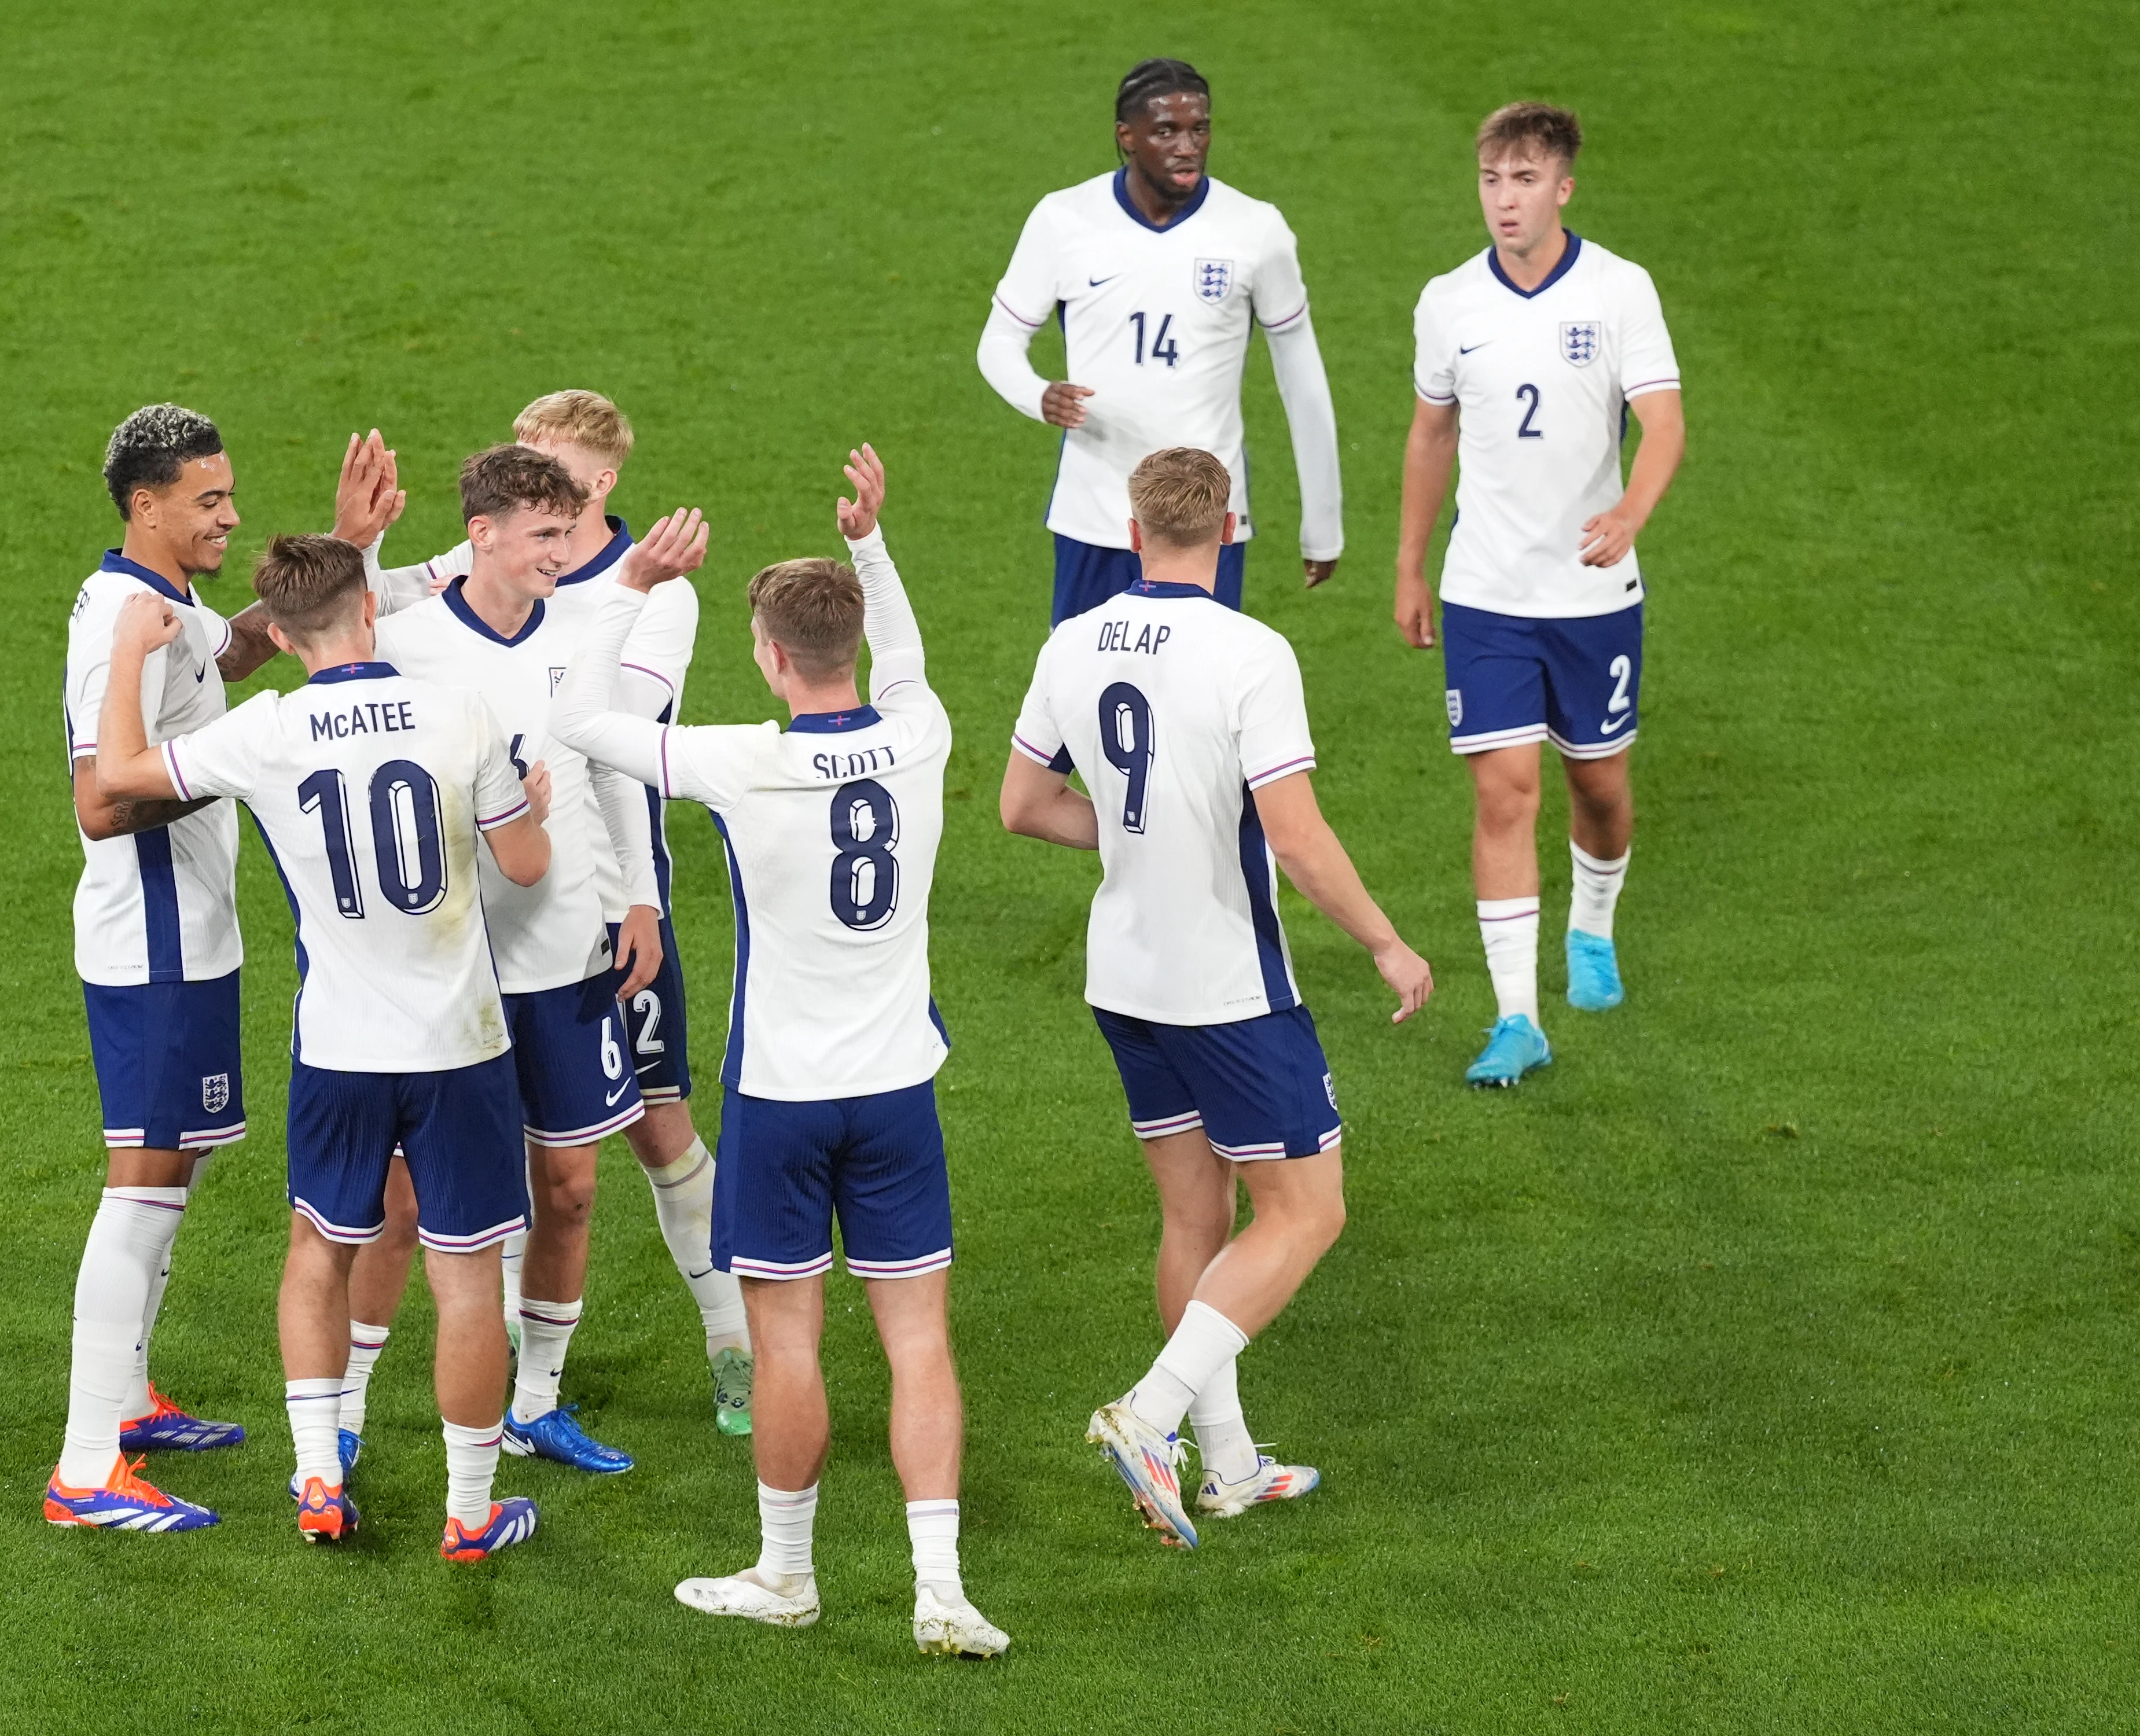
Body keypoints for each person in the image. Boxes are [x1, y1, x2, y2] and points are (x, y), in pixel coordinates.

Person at [553, 446, 1009, 1657]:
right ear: (848, 646)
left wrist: (629, 587)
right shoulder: (920, 736)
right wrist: (869, 539)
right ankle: (941, 1588)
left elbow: (581, 722)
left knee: (787, 1338)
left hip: (781, 1098)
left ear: (767, 657)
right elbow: (906, 664)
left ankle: (788, 1573)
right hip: (898, 1089)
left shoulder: (740, 762)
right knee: (919, 1339)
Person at [999, 447, 1432, 1550]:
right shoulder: (1250, 651)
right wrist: (1384, 941)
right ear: (1228, 529)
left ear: (1132, 527)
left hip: (1126, 977)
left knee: (1198, 1215)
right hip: (1228, 987)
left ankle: (1228, 1465)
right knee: (1309, 1211)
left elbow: (1022, 804)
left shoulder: (1071, 640)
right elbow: (1292, 834)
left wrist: (1137, 837)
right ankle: (1150, 1418)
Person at [88, 534, 551, 1560]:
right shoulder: (458, 711)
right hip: (462, 1046)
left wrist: (128, 652)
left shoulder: (270, 729)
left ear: (288, 638)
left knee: (318, 1255)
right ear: (368, 614)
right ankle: (471, 1513)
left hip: (340, 1047)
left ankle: (316, 1481)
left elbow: (116, 775)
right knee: (467, 1279)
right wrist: (525, 813)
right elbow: (526, 864)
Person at [347, 393, 751, 1446]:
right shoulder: (439, 616)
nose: (552, 526)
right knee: (411, 1196)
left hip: (588, 933)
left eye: (561, 499)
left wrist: (639, 898)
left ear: (597, 492)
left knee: (594, 1170)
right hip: (452, 954)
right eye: (530, 494)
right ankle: (338, 1417)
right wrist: (367, 540)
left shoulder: (616, 608)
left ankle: (596, 1385)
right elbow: (332, 628)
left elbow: (617, 750)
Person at [42, 407, 397, 1532]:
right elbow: (102, 804)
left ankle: (126, 1396)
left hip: (188, 935)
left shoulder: (171, 608)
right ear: (145, 504)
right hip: (149, 935)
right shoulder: (121, 621)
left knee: (176, 1170)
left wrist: (344, 545)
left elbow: (231, 653)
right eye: (209, 500)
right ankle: (86, 1467)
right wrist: (243, 766)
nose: (232, 515)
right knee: (142, 1183)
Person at [1393, 102, 1685, 1087]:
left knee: (1597, 787)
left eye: (1524, 181)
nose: (1504, 200)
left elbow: (1663, 423)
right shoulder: (1448, 302)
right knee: (1503, 791)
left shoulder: (1618, 291)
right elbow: (1430, 435)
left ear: (1563, 187)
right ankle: (1516, 1016)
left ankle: (1591, 929)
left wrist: (1631, 513)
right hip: (1488, 594)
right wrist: (1409, 565)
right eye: (1491, 180)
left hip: (1594, 595)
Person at [978, 56, 1343, 623]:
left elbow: (1301, 379)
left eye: (1199, 128)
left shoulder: (1254, 230)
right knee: (1079, 699)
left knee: (1198, 705)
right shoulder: (1064, 221)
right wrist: (1035, 394)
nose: (1187, 145)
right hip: (1093, 514)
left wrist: (1322, 525)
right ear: (1126, 137)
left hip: (1206, 522)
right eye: (1166, 131)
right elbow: (999, 340)